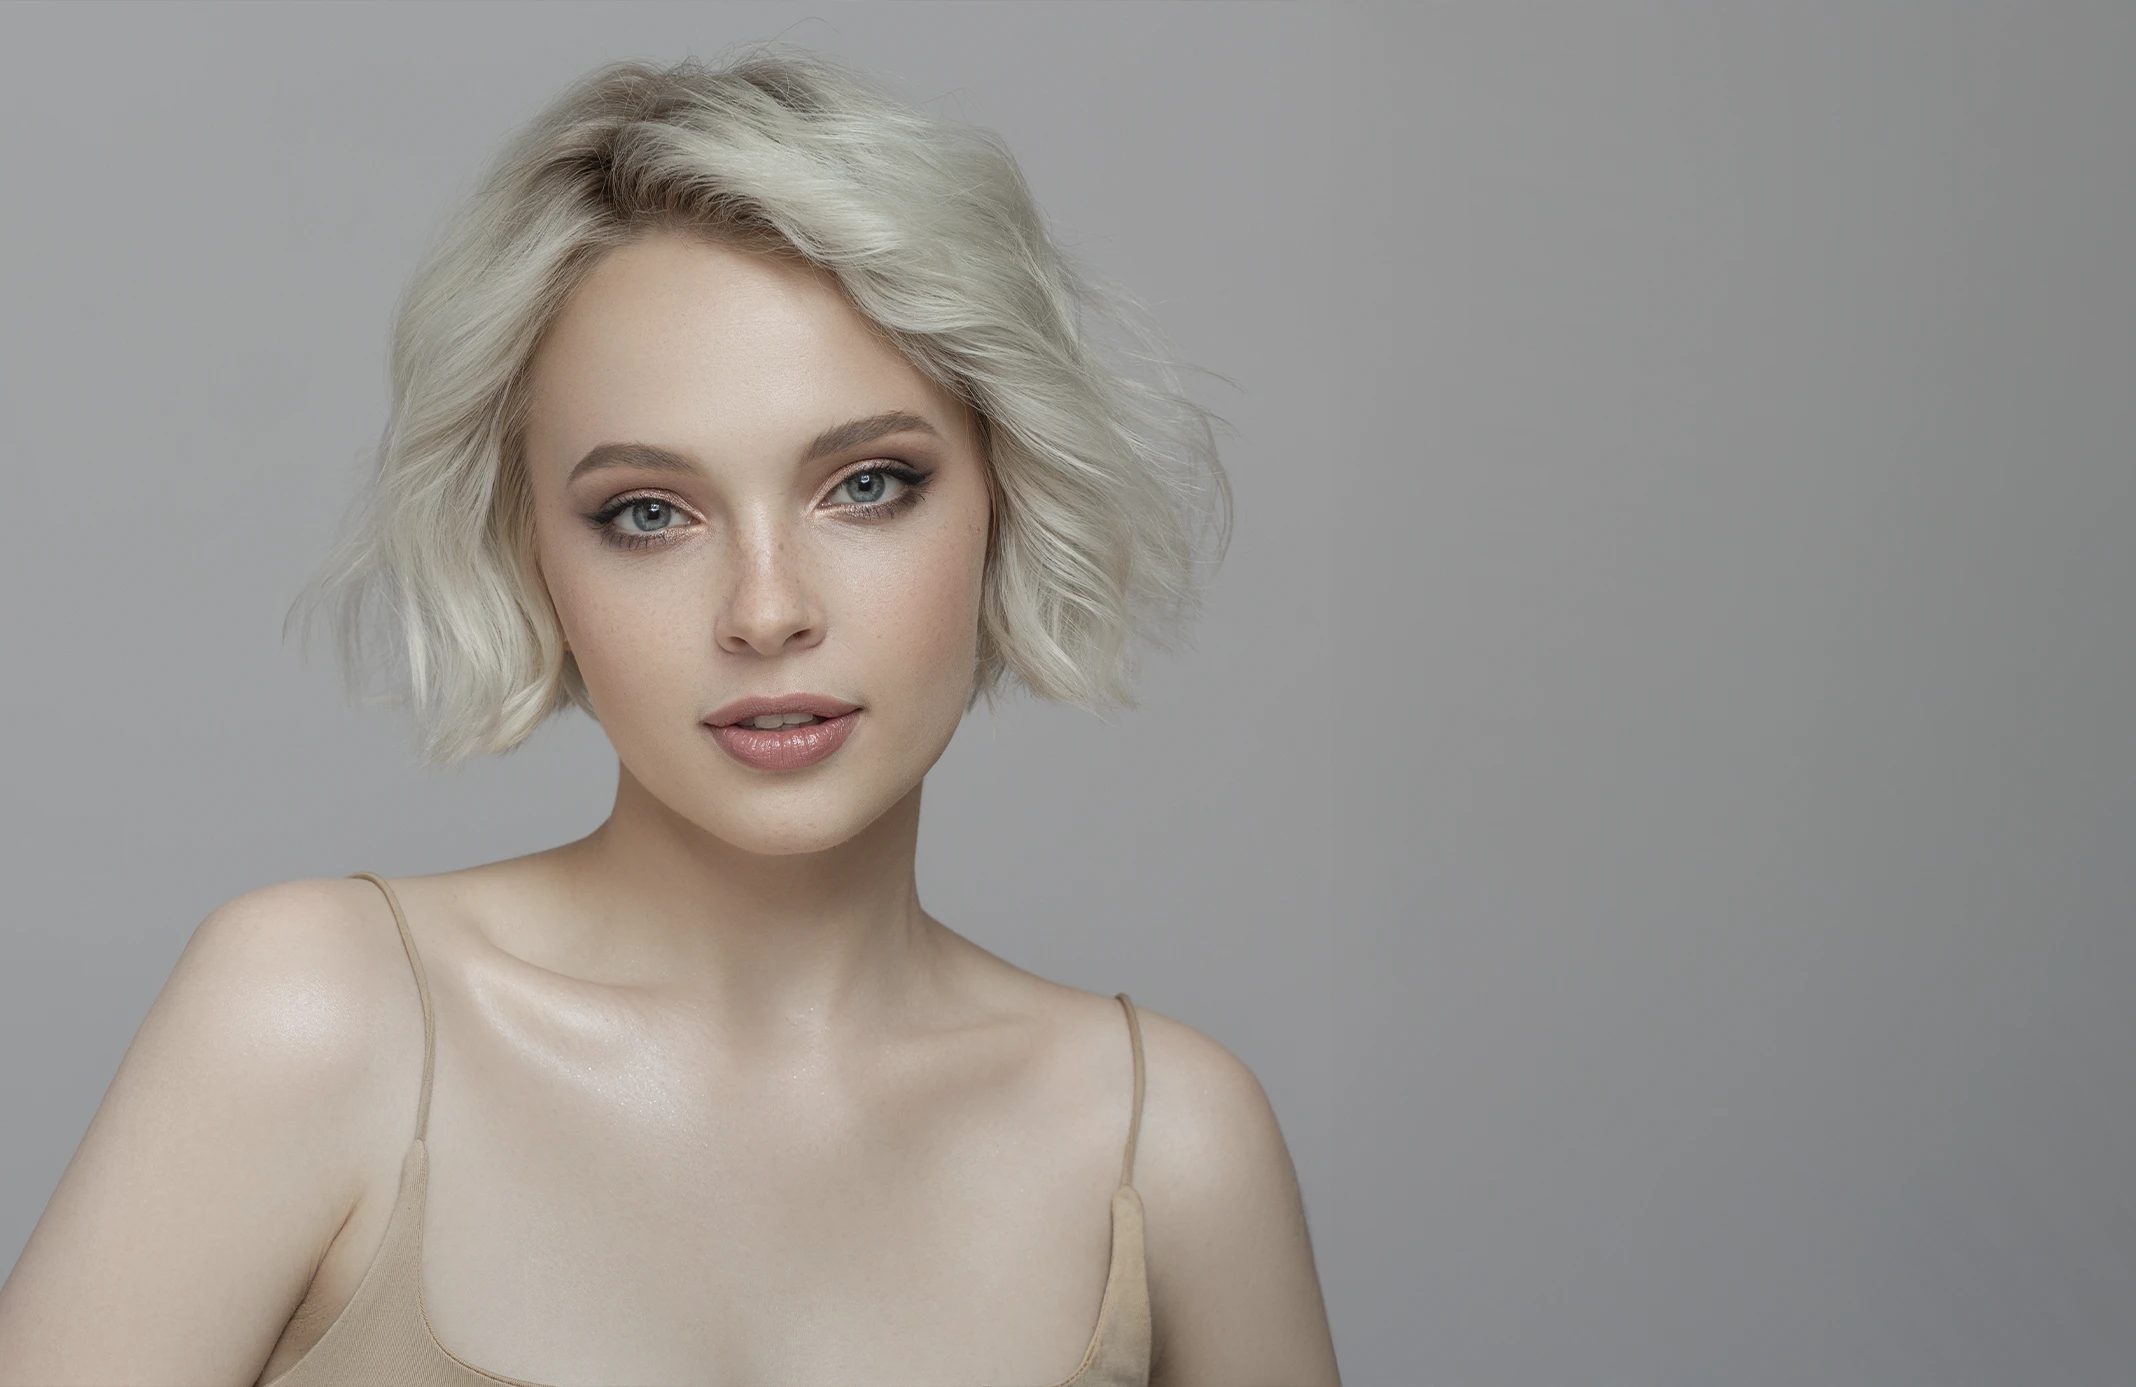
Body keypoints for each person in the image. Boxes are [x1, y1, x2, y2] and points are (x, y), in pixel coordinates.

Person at [0, 46, 1339, 1387]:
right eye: (648, 512)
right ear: (533, 553)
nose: (766, 610)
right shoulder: (313, 1018)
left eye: (867, 484)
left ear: (1008, 491)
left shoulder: (1168, 1150)